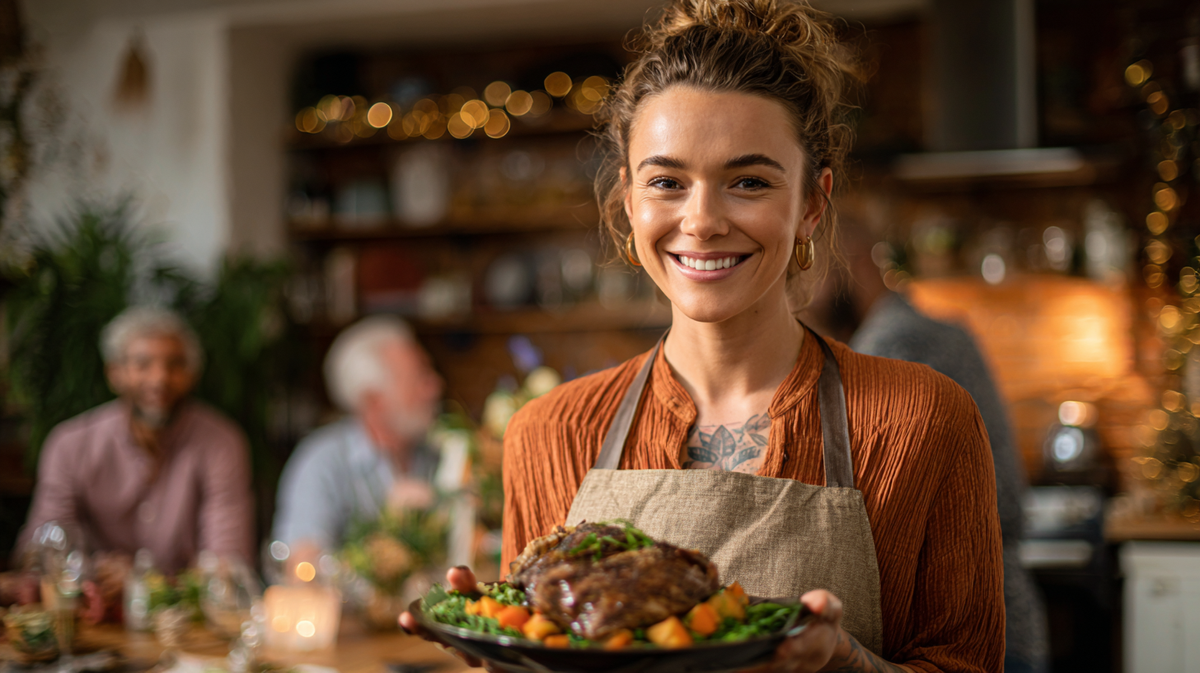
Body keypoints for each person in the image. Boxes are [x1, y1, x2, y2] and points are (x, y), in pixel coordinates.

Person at [404, 1, 1004, 671]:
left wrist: (846, 664)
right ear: (629, 203)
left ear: (811, 203)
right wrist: (490, 644)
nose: (703, 220)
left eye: (748, 181)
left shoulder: (922, 419)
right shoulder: (549, 432)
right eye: (667, 182)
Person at [810, 199, 1048, 673]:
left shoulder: (893, 346)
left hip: (962, 635)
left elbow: (867, 515)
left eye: (808, 268)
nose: (800, 293)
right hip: (1001, 615)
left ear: (851, 263)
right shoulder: (932, 329)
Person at [20, 306, 254, 574]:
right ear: (114, 374)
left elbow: (230, 563)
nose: (159, 378)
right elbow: (39, 553)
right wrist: (93, 573)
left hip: (185, 611)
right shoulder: (70, 444)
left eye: (174, 365)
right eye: (143, 365)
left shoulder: (222, 442)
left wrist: (143, 582)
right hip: (92, 604)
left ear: (192, 375)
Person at [272, 316, 443, 558]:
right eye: (419, 379)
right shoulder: (321, 463)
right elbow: (300, 569)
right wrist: (389, 532)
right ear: (373, 400)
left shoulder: (436, 452)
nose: (435, 387)